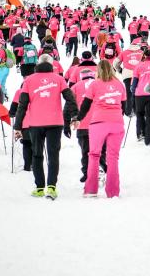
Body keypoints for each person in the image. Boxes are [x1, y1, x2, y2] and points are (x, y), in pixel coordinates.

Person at [14, 54, 78, 199]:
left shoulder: (28, 80)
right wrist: (74, 116)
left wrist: (18, 126)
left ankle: (39, 188)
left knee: (37, 155)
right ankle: (51, 187)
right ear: (51, 65)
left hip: (35, 123)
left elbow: (22, 105)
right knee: (53, 155)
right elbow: (70, 98)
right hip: (55, 122)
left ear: (38, 64)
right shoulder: (59, 79)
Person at [74, 60, 127, 198]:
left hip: (98, 123)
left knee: (94, 155)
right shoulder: (119, 85)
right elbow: (124, 106)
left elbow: (85, 105)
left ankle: (91, 190)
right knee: (113, 158)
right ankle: (113, 191)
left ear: (98, 70)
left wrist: (78, 119)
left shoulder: (94, 84)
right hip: (116, 123)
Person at [71, 68, 107, 183]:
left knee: (85, 151)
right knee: (100, 149)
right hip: (100, 122)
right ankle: (101, 168)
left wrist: (71, 119)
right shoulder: (101, 85)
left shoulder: (75, 87)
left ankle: (87, 173)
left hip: (82, 124)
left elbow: (70, 105)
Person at [131, 49, 150, 146]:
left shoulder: (139, 65)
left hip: (139, 94)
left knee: (139, 114)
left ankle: (141, 133)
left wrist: (133, 90)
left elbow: (134, 81)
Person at [114, 39, 144, 117]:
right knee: (137, 92)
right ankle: (136, 109)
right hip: (138, 75)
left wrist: (119, 69)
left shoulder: (124, 52)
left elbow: (115, 62)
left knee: (128, 92)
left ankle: (128, 111)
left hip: (127, 74)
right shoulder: (141, 52)